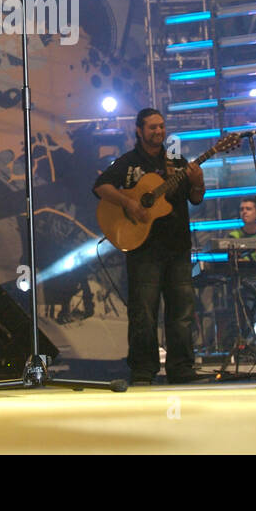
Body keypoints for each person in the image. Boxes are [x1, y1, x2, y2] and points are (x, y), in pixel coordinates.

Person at [93, 108, 206, 384]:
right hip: (144, 249)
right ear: (139, 131)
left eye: (161, 127)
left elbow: (196, 199)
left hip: (177, 246)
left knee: (181, 312)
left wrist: (198, 183)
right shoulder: (128, 162)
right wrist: (130, 203)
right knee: (143, 311)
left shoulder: (177, 162)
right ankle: (143, 369)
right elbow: (100, 187)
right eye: (152, 127)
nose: (159, 132)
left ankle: (181, 368)